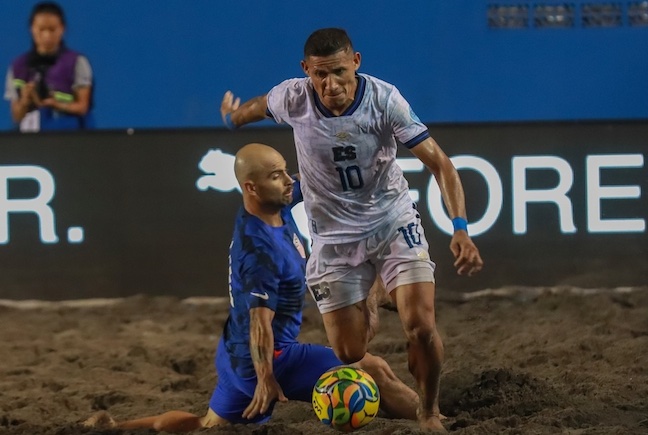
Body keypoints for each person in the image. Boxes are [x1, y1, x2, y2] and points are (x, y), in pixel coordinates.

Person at [220, 28, 484, 431]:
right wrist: (235, 117)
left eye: (339, 72)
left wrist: (461, 229)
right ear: (306, 70)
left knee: (420, 326)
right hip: (333, 239)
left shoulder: (385, 100)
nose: (331, 85)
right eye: (320, 75)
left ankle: (429, 412)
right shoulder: (293, 98)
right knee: (348, 352)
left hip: (392, 222)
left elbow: (441, 164)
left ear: (356, 62)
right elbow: (260, 105)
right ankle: (375, 291)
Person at [83, 143, 422, 432]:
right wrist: (265, 379)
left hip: (238, 350)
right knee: (372, 369)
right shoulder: (259, 251)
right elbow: (260, 324)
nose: (288, 181)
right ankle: (435, 419)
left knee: (208, 425)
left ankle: (114, 427)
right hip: (266, 358)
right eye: (277, 175)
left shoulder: (273, 206)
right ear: (251, 188)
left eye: (285, 171)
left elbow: (317, 180)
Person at [4, 1, 94, 132]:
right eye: (41, 29)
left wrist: (56, 104)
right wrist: (24, 101)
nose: (47, 36)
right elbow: (16, 116)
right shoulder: (17, 66)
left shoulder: (77, 62)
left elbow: (83, 107)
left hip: (69, 135)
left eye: (52, 30)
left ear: (62, 29)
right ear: (32, 29)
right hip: (30, 137)